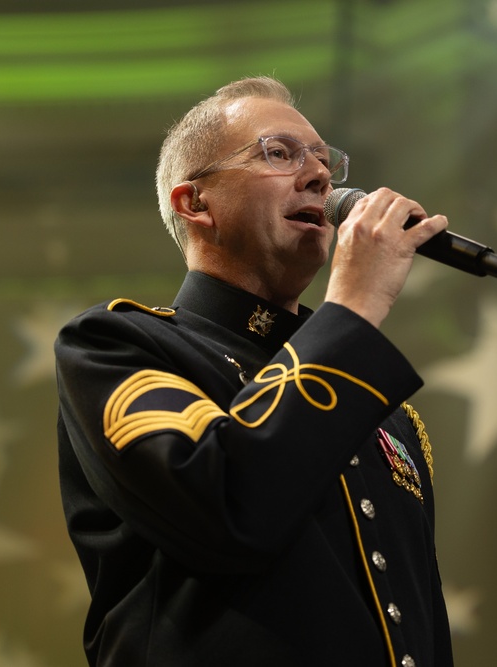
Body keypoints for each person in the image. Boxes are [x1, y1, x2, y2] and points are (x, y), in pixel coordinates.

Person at [55, 75, 454, 667]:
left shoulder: (390, 419)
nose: (320, 176)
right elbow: (226, 509)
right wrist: (352, 309)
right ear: (195, 203)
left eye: (324, 160)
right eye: (279, 153)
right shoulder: (116, 346)